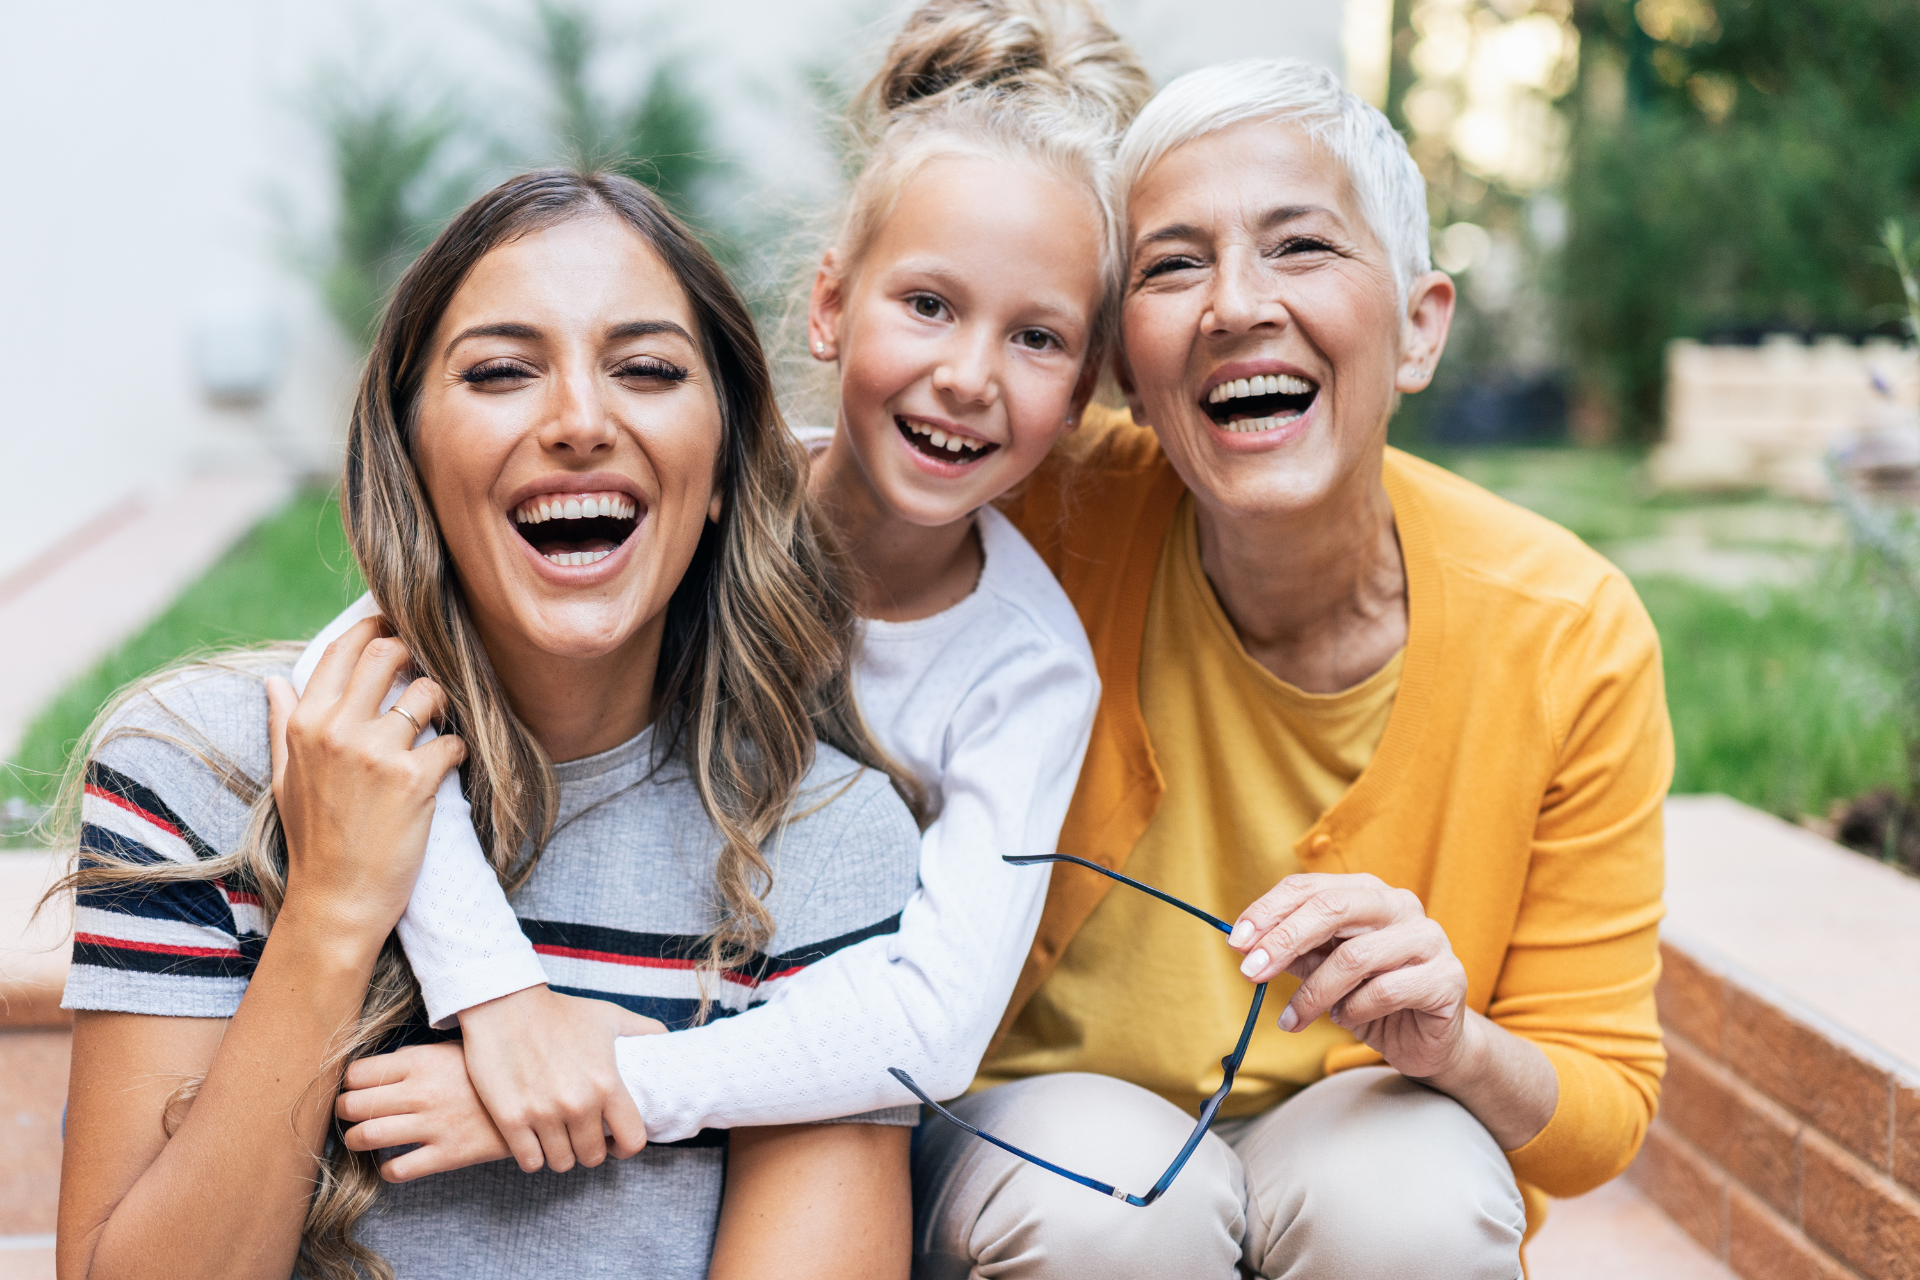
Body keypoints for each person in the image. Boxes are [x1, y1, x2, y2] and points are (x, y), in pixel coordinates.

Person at [306, 0, 1149, 1181]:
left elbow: (931, 1024)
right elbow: (352, 667)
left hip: (823, 1126)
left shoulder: (1026, 669)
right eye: (928, 305)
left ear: (1089, 385)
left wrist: (597, 1082)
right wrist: (500, 999)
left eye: (1039, 339)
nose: (968, 377)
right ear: (828, 307)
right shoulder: (687, 502)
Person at [53, 168, 922, 1280]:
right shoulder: (193, 768)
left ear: (721, 469)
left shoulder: (829, 837)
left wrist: (638, 1075)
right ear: (411, 455)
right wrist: (333, 907)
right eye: (503, 371)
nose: (578, 421)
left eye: (648, 369)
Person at [912, 59, 1672, 1279]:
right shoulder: (1036, 517)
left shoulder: (1565, 630)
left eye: (1300, 246)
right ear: (1123, 365)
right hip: (1046, 1112)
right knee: (1116, 1208)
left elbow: (1599, 1110)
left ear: (1422, 325)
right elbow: (805, 507)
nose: (1235, 304)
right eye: (1172, 263)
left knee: (1414, 1199)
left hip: (1359, 1114)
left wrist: (1453, 1038)